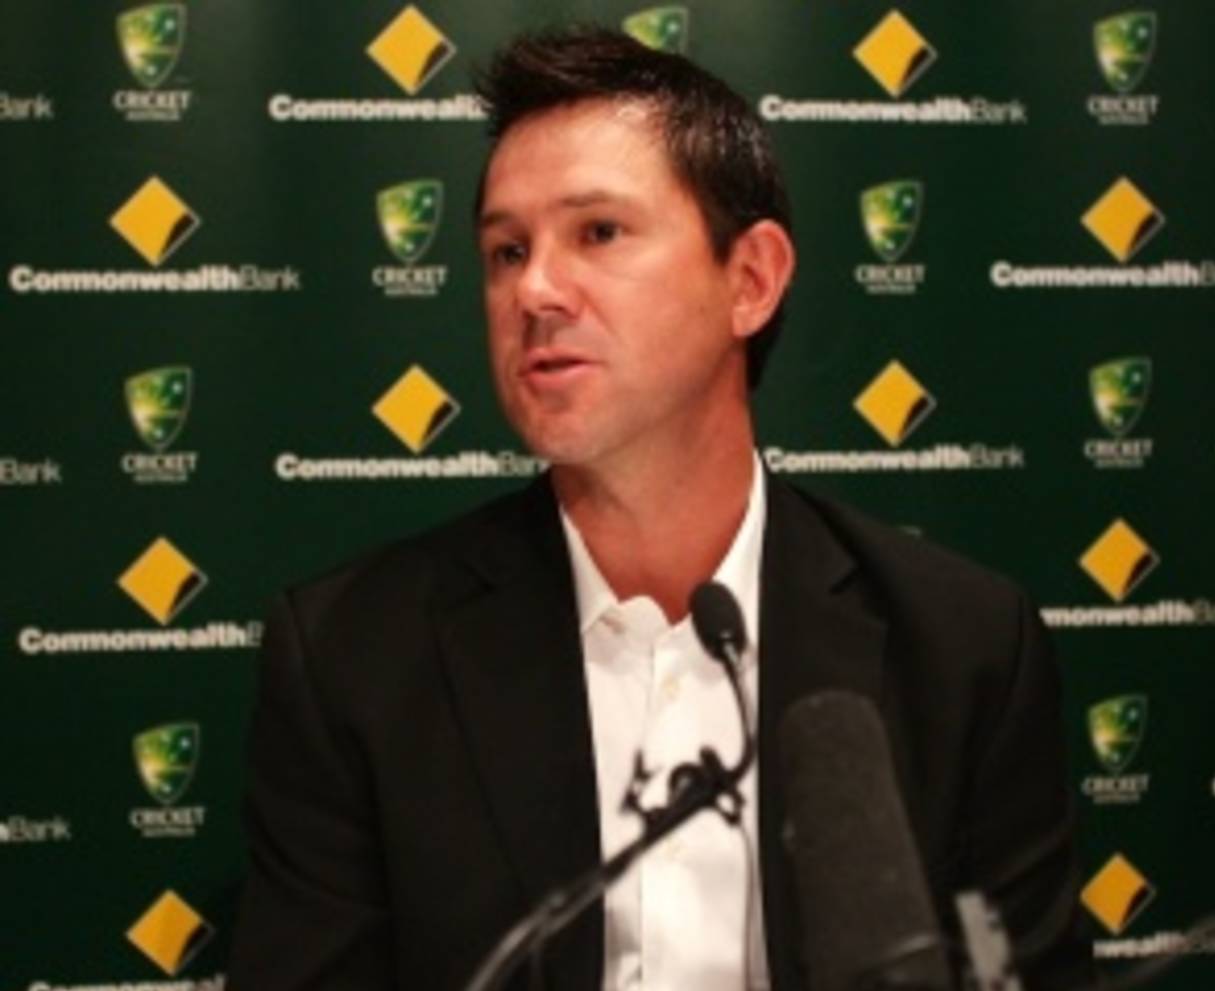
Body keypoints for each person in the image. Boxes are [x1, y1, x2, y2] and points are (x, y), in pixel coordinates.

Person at [228, 27, 1092, 991]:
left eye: (598, 232)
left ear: (752, 279)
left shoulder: (964, 647)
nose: (536, 290)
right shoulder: (356, 656)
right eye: (507, 251)